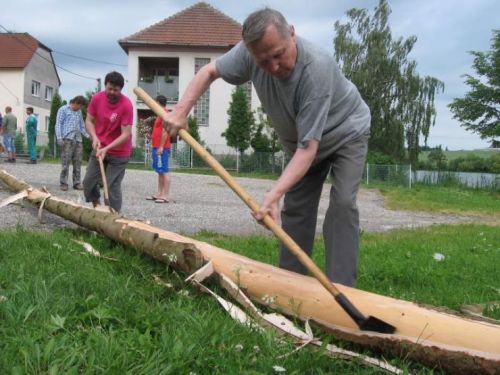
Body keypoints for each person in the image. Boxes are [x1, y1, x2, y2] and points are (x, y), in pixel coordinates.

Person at [162, 8, 370, 287]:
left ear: (292, 33)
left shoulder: (316, 69)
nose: (273, 67)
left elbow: (309, 150)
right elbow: (209, 71)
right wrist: (181, 111)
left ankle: (343, 289)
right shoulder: (249, 53)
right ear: (251, 53)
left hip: (346, 131)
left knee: (343, 202)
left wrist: (273, 194)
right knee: (296, 209)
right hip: (302, 143)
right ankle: (290, 285)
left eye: (279, 54)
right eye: (263, 61)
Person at [82, 71, 133, 213]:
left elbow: (126, 134)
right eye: (109, 88)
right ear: (105, 85)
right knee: (88, 183)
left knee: (111, 187)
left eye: (115, 90)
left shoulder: (126, 105)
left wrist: (107, 148)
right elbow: (89, 120)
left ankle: (114, 217)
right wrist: (94, 137)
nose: (111, 92)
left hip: (119, 153)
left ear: (121, 89)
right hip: (99, 147)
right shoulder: (97, 99)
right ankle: (97, 209)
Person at [55, 95, 89, 191]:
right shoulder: (63, 109)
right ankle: (63, 183)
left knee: (78, 162)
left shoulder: (79, 112)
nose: (80, 108)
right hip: (67, 140)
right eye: (80, 106)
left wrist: (88, 136)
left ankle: (77, 183)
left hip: (78, 140)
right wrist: (59, 137)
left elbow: (82, 126)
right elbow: (58, 124)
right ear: (75, 103)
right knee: (66, 162)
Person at [145, 95, 171, 203]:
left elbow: (166, 131)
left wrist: (161, 146)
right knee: (159, 171)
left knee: (164, 171)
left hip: (162, 148)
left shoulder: (165, 114)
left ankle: (165, 195)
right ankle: (159, 193)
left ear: (158, 103)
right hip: (157, 146)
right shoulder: (160, 114)